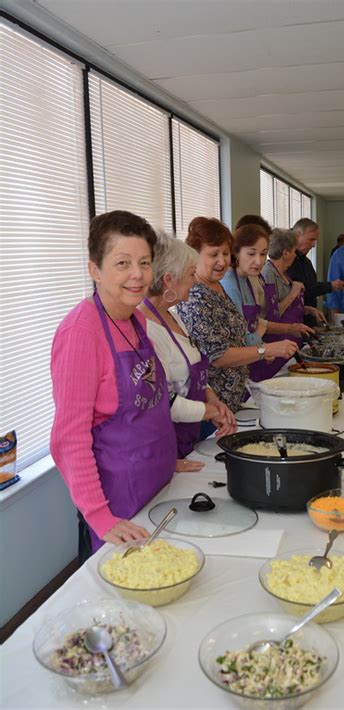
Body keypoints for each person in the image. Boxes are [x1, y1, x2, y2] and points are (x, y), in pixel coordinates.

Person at [50, 211, 177, 563]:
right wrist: (100, 517)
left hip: (158, 485)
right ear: (95, 270)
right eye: (122, 263)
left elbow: (149, 404)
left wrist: (168, 458)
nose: (137, 274)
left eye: (144, 262)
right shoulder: (81, 333)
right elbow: (68, 437)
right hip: (117, 502)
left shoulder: (136, 317)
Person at [177, 218, 297, 411]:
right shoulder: (196, 297)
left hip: (233, 398)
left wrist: (261, 348)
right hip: (213, 405)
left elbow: (236, 335)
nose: (222, 261)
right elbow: (218, 356)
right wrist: (265, 350)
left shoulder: (216, 285)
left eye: (225, 253)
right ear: (194, 255)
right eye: (213, 254)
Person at [139, 235, 236, 460]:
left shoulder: (172, 316)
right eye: (191, 274)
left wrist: (212, 398)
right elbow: (165, 403)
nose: (194, 281)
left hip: (192, 434)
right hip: (169, 445)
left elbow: (192, 369)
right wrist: (211, 412)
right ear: (169, 280)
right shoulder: (148, 331)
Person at [221, 224, 312, 380]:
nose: (259, 261)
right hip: (234, 370)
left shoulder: (248, 279)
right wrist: (265, 348)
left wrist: (290, 329)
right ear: (235, 252)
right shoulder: (229, 284)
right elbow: (239, 338)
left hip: (253, 359)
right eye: (251, 254)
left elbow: (257, 323)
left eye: (263, 254)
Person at [261, 228, 326, 340]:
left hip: (293, 342)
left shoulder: (284, 273)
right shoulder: (268, 275)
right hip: (278, 344)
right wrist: (293, 293)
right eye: (294, 251)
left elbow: (288, 307)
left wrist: (308, 309)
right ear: (286, 253)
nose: (296, 255)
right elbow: (271, 316)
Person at [286, 218, 344, 326]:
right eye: (311, 239)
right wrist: (329, 286)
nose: (313, 245)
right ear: (298, 234)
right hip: (292, 325)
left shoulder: (306, 262)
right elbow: (302, 291)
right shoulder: (286, 261)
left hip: (308, 323)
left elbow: (311, 288)